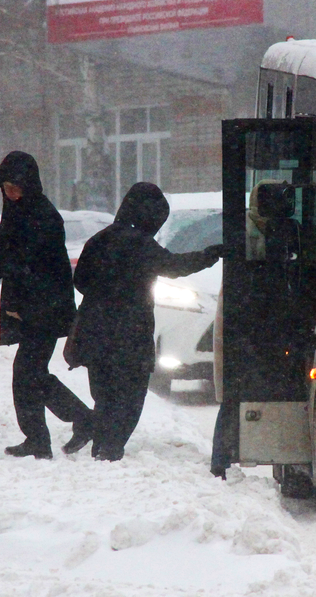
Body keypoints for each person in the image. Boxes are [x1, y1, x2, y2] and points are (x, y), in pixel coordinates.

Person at [73, 182, 222, 461]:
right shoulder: (141, 244)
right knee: (130, 394)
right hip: (131, 330)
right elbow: (175, 266)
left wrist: (103, 294)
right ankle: (111, 448)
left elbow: (79, 280)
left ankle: (100, 447)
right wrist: (209, 256)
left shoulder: (99, 239)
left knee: (104, 393)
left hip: (96, 331)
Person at [0, 151, 90, 460]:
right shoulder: (17, 211)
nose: (10, 193)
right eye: (6, 187)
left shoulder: (43, 216)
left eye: (16, 187)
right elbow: (3, 253)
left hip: (44, 308)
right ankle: (45, 434)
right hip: (29, 307)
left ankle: (72, 423)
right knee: (30, 375)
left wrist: (25, 306)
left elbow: (43, 270)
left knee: (27, 374)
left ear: (30, 185)